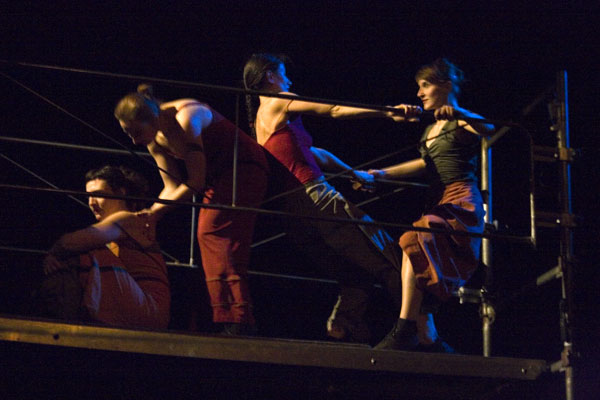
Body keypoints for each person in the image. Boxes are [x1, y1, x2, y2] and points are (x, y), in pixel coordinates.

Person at [243, 53, 419, 342]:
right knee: (386, 254)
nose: (289, 80)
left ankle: (341, 326)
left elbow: (312, 154)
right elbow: (334, 109)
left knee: (354, 273)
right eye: (284, 73)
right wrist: (387, 111)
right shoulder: (280, 99)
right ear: (270, 76)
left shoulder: (260, 121)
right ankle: (421, 331)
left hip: (293, 214)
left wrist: (351, 172)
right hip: (315, 197)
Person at [114, 85, 269, 335]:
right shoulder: (154, 139)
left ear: (152, 118)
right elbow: (171, 186)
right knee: (210, 237)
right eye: (127, 133)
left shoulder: (186, 117)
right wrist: (148, 214)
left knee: (214, 233)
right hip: (217, 178)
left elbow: (194, 182)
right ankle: (232, 317)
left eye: (135, 131)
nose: (133, 140)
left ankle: (238, 319)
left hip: (243, 168)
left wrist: (156, 213)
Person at [366, 58, 495, 352]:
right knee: (413, 252)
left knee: (415, 239)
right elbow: (425, 164)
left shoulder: (459, 120)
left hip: (461, 201)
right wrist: (383, 173)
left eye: (426, 85)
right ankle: (429, 337)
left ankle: (405, 328)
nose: (419, 93)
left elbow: (489, 129)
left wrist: (459, 111)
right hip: (438, 201)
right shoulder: (429, 130)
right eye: (419, 87)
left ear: (446, 87)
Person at [38, 165, 170, 329]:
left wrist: (54, 253)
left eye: (98, 195)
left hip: (149, 307)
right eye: (88, 197)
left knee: (87, 250)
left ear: (121, 192)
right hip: (135, 302)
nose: (91, 203)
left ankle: (64, 320)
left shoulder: (129, 219)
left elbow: (74, 242)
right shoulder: (120, 226)